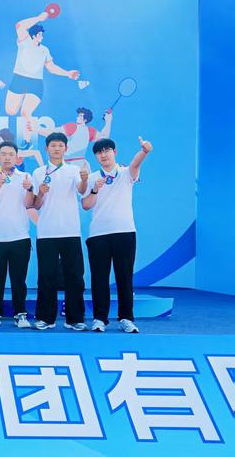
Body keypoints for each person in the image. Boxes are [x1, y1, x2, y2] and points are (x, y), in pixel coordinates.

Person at [82, 137, 152, 333]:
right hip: (98, 234)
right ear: (96, 156)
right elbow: (86, 205)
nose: (103, 155)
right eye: (99, 152)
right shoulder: (92, 177)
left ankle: (126, 318)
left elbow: (135, 164)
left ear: (115, 152)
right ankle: (99, 319)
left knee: (124, 277)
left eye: (107, 150)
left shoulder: (125, 173)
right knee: (99, 278)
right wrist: (94, 190)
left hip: (124, 232)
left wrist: (144, 151)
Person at [31, 133, 89, 330]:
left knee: (75, 276)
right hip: (46, 232)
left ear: (66, 148)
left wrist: (84, 179)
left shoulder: (74, 170)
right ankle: (45, 318)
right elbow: (36, 204)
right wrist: (40, 193)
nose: (56, 148)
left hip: (70, 231)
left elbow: (81, 190)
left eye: (60, 145)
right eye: (53, 145)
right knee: (46, 276)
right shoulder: (38, 172)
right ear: (46, 148)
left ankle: (75, 318)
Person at [4, 10, 81, 149]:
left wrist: (67, 73)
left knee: (26, 112)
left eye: (42, 34)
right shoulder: (24, 41)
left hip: (35, 83)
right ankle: (40, 131)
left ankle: (27, 141)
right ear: (33, 35)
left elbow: (51, 67)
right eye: (39, 34)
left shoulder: (45, 50)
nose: (41, 36)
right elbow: (19, 25)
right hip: (19, 79)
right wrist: (39, 18)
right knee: (10, 111)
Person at [0, 142, 35, 329]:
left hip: (19, 237)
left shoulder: (25, 177)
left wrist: (30, 189)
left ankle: (20, 314)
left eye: (11, 154)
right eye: (3, 154)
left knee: (18, 280)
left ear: (17, 157)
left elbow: (29, 204)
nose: (7, 157)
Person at [39, 107, 113, 169]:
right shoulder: (89, 131)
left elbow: (50, 133)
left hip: (74, 166)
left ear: (85, 119)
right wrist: (108, 121)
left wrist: (37, 128)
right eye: (78, 115)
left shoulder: (74, 127)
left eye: (80, 116)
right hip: (76, 165)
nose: (77, 117)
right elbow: (104, 136)